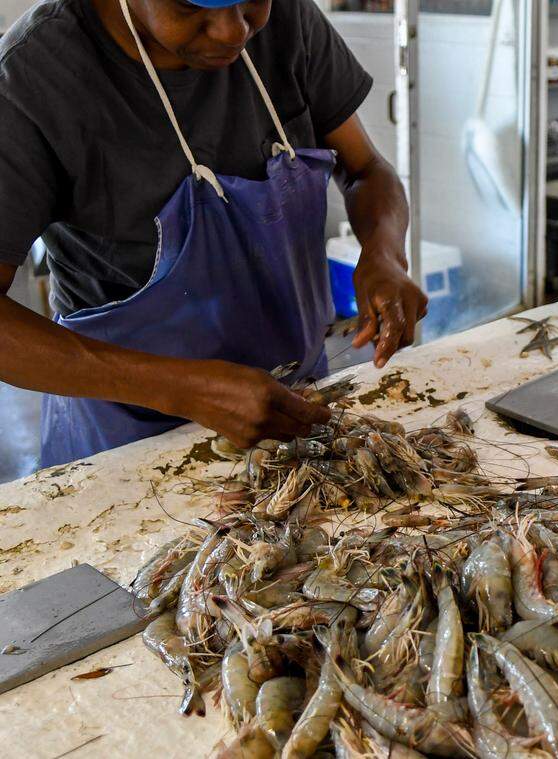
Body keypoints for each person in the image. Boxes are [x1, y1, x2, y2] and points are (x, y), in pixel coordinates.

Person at [0, 0, 427, 466]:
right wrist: (179, 388)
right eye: (190, 6)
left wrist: (384, 253)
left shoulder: (287, 21)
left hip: (295, 405)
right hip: (126, 435)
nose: (232, 31)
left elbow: (365, 168)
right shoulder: (32, 79)